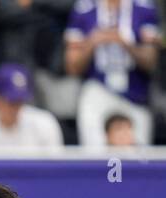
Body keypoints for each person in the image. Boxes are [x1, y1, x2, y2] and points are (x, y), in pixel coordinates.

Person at [64, 0, 160, 147]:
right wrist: (93, 41)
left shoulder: (143, 7)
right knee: (94, 153)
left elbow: (151, 62)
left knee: (138, 158)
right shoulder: (84, 8)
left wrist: (125, 43)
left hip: (135, 92)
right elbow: (72, 67)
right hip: (98, 88)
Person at [0, 63, 66, 151]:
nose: (16, 107)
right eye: (10, 101)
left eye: (20, 101)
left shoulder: (45, 123)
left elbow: (55, 171)